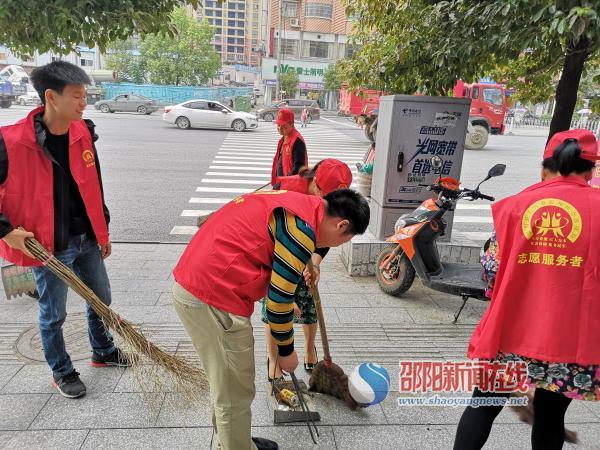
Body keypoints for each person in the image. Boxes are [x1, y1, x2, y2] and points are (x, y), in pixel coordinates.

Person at [172, 189, 369, 450]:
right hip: (211, 296)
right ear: (341, 224)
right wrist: (286, 351)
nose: (333, 245)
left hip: (202, 279)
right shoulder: (301, 232)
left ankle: (235, 441)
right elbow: (277, 304)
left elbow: (269, 263)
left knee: (226, 382)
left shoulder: (303, 205)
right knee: (234, 390)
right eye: (342, 240)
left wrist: (287, 294)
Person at [454, 129, 600, 450]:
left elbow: (491, 268)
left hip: (511, 332)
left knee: (483, 405)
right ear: (591, 170)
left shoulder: (516, 206)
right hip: (569, 343)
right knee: (550, 416)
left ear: (546, 166)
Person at [0, 61, 129, 399]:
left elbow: (93, 182)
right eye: (76, 95)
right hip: (48, 243)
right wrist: (7, 231)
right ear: (51, 97)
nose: (83, 102)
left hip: (86, 237)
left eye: (84, 95)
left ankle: (102, 352)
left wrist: (103, 230)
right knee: (53, 313)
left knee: (101, 299)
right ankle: (62, 370)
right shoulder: (11, 142)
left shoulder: (82, 132)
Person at [262, 159, 353, 382]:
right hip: (277, 256)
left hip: (306, 255)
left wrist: (315, 261)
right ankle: (273, 359)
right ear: (315, 184)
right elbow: (280, 237)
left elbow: (326, 236)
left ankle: (310, 348)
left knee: (309, 302)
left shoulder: (332, 204)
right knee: (275, 308)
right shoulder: (286, 193)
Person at [271, 108, 307, 186]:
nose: (280, 128)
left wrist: (284, 182)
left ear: (291, 124)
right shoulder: (284, 137)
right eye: (278, 125)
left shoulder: (297, 141)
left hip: (290, 185)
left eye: (283, 125)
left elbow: (299, 168)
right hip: (282, 182)